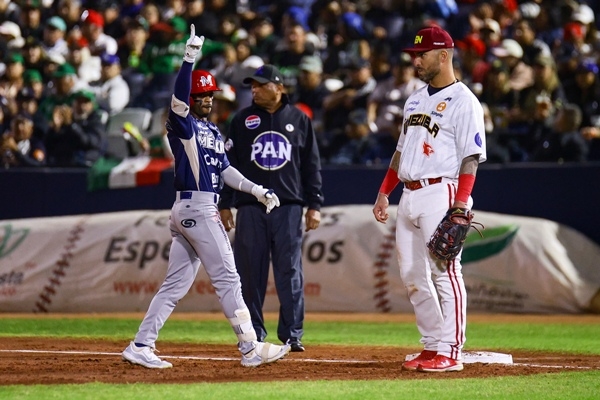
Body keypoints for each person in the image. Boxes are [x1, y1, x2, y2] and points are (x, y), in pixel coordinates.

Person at [121, 25, 291, 369]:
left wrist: (257, 190)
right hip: (197, 207)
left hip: (192, 209)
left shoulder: (211, 130)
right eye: (201, 96)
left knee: (174, 285)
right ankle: (249, 347)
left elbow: (227, 171)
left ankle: (141, 344)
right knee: (228, 277)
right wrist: (188, 59)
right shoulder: (183, 125)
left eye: (210, 95)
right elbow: (179, 100)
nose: (207, 100)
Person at [372, 26, 487, 373]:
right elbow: (400, 151)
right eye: (413, 55)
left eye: (421, 54)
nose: (415, 61)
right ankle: (433, 343)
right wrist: (383, 192)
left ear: (443, 55)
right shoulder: (415, 99)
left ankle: (451, 350)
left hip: (442, 190)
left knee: (445, 272)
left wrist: (461, 204)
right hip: (408, 193)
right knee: (411, 274)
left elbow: (471, 157)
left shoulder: (465, 100)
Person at [219, 64, 324, 353]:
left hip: (288, 206)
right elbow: (229, 166)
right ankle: (253, 334)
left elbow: (311, 166)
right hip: (251, 206)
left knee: (289, 271)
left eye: (260, 84)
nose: (253, 89)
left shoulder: (299, 120)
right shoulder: (241, 120)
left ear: (278, 87)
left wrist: (314, 205)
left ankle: (292, 334)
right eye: (251, 85)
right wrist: (225, 203)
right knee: (250, 273)